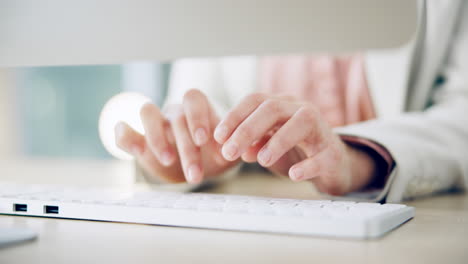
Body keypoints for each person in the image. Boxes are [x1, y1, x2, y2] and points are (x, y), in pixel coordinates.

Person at [114, 0, 468, 203]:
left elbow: (461, 114)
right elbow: (193, 101)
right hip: (257, 234)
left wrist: (356, 159)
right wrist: (185, 154)